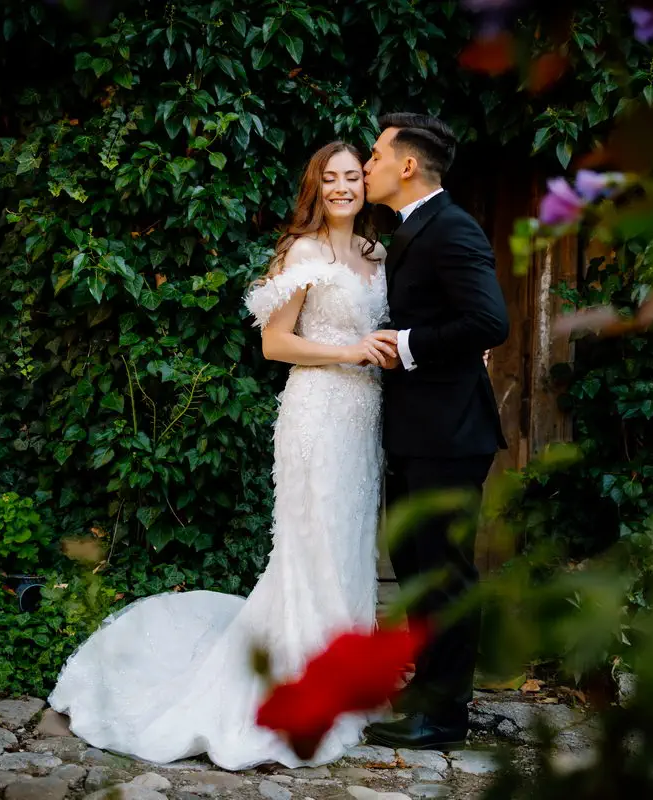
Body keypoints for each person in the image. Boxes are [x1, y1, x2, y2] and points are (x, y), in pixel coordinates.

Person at [45, 141, 394, 770]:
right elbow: (274, 343)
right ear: (316, 187)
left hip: (363, 418)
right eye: (331, 178)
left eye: (352, 176)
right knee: (313, 546)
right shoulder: (303, 253)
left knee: (348, 544)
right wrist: (349, 352)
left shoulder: (376, 254)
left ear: (364, 186)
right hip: (317, 414)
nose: (343, 187)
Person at [360, 112, 510, 750]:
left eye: (374, 155)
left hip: (450, 434)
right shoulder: (411, 228)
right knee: (417, 566)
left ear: (407, 165)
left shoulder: (452, 227)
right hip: (418, 431)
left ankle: (444, 717)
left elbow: (490, 322)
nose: (366, 166)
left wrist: (407, 345)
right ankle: (428, 694)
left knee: (444, 574)